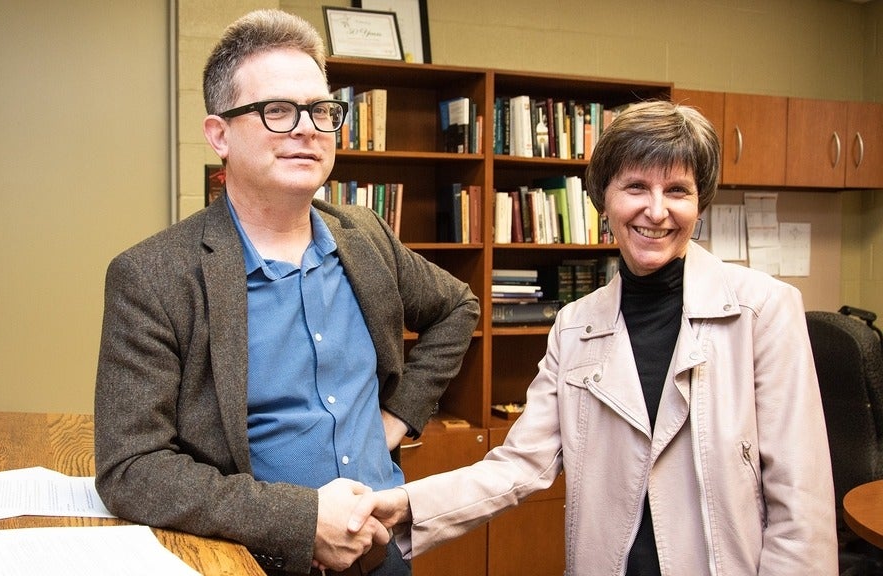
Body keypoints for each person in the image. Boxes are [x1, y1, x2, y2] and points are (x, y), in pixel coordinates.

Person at [348, 100, 839, 575]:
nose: (656, 210)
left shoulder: (764, 309)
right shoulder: (575, 327)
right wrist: (407, 504)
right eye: (636, 187)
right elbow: (520, 464)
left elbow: (801, 501)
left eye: (677, 190)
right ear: (604, 199)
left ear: (700, 202)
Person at [92, 9, 479, 576]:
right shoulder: (153, 276)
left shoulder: (365, 236)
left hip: (383, 554)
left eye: (321, 111)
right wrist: (300, 521)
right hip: (252, 561)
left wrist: (400, 414)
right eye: (277, 111)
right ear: (219, 134)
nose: (307, 128)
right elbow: (131, 468)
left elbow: (457, 307)